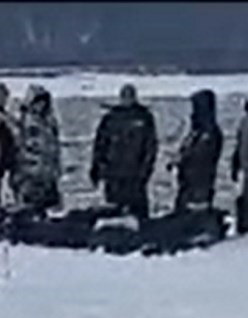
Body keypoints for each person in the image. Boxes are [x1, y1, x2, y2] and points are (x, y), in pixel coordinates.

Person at [91, 84, 158, 221]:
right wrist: (96, 168)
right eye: (124, 96)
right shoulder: (110, 118)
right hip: (113, 174)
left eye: (130, 96)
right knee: (114, 211)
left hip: (135, 174)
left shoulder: (144, 117)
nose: (127, 99)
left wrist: (146, 170)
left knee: (138, 212)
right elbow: (100, 145)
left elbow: (151, 146)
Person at [11, 84, 62, 216]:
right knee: (29, 205)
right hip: (29, 172)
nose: (40, 106)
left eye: (43, 102)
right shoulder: (24, 121)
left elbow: (53, 147)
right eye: (38, 102)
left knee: (45, 204)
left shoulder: (49, 122)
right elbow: (20, 145)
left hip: (47, 171)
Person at [172, 89, 223, 212]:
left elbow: (202, 156)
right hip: (187, 183)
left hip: (199, 185)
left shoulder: (209, 133)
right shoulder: (196, 131)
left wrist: (185, 158)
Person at [233, 100, 248, 234]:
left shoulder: (244, 122)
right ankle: (243, 225)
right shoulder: (244, 122)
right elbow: (238, 145)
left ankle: (243, 226)